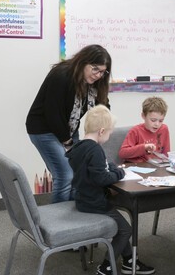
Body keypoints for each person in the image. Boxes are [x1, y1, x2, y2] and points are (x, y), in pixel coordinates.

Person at [65, 105, 155, 275]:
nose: (110, 136)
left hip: (83, 198)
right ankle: (106, 267)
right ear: (102, 131)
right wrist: (119, 174)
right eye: (110, 133)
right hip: (95, 202)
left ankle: (129, 261)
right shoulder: (95, 150)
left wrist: (113, 168)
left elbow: (105, 165)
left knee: (121, 226)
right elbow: (103, 178)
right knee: (125, 229)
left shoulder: (81, 146)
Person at [26, 44, 112, 203]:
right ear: (84, 62)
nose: (98, 75)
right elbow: (53, 113)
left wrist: (104, 123)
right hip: (43, 129)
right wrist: (68, 142)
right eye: (95, 69)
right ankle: (58, 221)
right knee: (65, 175)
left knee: (78, 173)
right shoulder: (61, 75)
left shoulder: (95, 82)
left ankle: (73, 214)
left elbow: (103, 106)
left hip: (68, 128)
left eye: (102, 71)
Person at [119, 96, 170, 163]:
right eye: (153, 120)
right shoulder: (136, 131)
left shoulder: (164, 129)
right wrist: (144, 147)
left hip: (156, 167)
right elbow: (122, 153)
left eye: (161, 121)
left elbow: (166, 154)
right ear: (143, 116)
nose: (157, 124)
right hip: (137, 167)